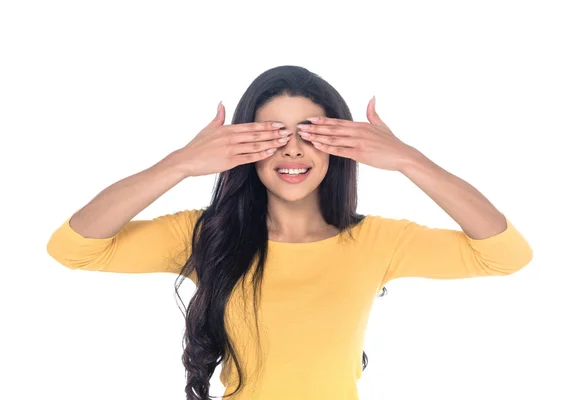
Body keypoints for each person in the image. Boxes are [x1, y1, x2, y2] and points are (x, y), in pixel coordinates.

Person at [46, 65, 533, 400]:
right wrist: (181, 164)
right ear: (244, 144)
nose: (293, 150)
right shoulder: (204, 235)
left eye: (310, 131)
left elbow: (505, 255)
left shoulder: (379, 242)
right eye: (272, 134)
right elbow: (74, 248)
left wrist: (408, 160)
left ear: (338, 142)